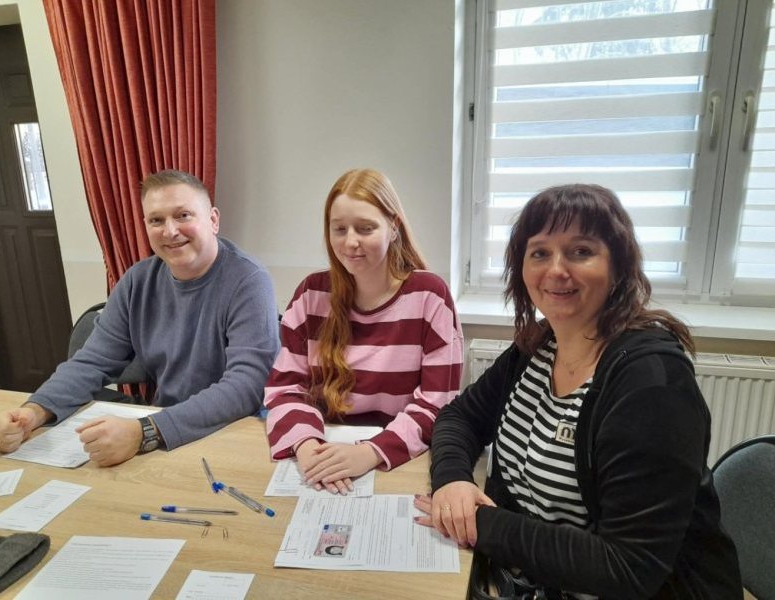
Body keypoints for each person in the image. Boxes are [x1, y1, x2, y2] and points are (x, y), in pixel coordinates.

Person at [414, 184, 742, 598]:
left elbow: (627, 567)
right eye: (539, 253)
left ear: (618, 267)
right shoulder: (538, 346)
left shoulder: (651, 384)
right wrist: (452, 482)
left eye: (581, 251)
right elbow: (460, 416)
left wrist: (479, 524)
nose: (556, 270)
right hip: (534, 582)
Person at [0, 169, 280, 467]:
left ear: (213, 220)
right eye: (156, 220)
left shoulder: (248, 281)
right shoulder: (137, 281)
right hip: (166, 427)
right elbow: (92, 361)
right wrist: (33, 412)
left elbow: (247, 384)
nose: (170, 231)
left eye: (183, 215)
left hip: (234, 433)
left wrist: (146, 432)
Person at [265, 168, 463, 495]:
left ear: (394, 227)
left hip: (396, 458)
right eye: (339, 229)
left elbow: (438, 405)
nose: (350, 242)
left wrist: (368, 453)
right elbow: (285, 389)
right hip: (325, 452)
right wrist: (307, 447)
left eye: (366, 228)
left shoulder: (429, 296)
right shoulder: (311, 294)